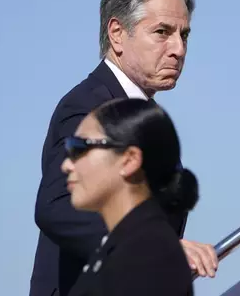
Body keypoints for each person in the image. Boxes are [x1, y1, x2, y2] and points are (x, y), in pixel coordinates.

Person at [30, 0, 218, 296]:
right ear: (117, 33)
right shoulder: (88, 106)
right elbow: (57, 205)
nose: (179, 49)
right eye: (162, 32)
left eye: (184, 35)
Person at [64, 98, 197, 296]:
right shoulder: (126, 247)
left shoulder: (147, 257)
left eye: (79, 148)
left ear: (129, 160)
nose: (66, 164)